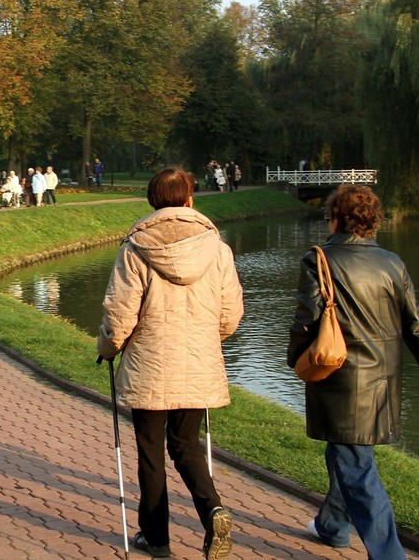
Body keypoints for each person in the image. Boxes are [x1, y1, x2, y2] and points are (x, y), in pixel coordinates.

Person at [286, 184, 419, 560]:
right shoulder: (392, 263)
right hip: (383, 381)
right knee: (348, 453)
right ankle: (332, 526)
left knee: (356, 468)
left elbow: (306, 320)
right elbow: (418, 329)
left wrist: (296, 360)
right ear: (371, 222)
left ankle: (389, 554)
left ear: (337, 219)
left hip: (340, 378)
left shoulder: (319, 259)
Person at [97, 167, 243, 560]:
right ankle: (212, 509)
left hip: (148, 364)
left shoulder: (135, 249)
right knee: (186, 444)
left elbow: (120, 315)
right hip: (196, 362)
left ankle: (156, 538)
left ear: (152, 201)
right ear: (190, 200)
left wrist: (108, 348)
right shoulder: (218, 250)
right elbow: (230, 314)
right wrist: (207, 339)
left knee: (151, 451)